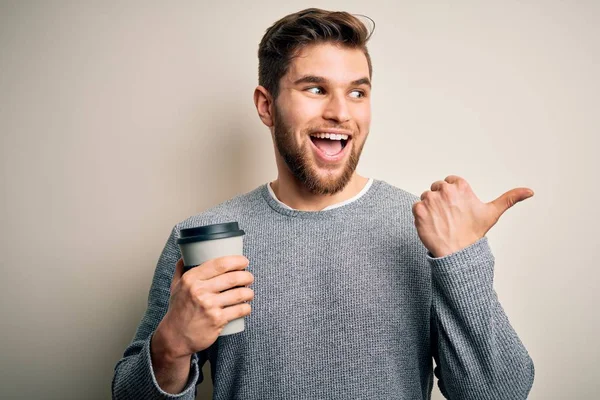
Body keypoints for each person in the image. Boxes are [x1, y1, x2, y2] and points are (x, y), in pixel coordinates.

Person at [112, 8, 535, 400]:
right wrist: (170, 346)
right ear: (266, 106)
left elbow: (499, 395)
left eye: (357, 93)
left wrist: (462, 260)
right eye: (315, 89)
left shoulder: (427, 231)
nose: (340, 112)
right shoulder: (207, 237)